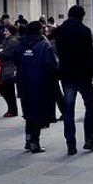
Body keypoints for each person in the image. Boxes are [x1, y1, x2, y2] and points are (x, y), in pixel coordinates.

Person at [52, 4, 93, 155]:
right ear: (81, 16)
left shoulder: (59, 31)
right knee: (90, 106)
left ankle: (70, 144)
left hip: (67, 75)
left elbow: (53, 49)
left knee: (68, 109)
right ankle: (89, 139)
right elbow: (90, 55)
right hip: (83, 74)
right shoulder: (84, 31)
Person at [16, 19, 59, 154]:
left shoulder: (21, 44)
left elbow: (16, 60)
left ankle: (28, 139)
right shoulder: (44, 45)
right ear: (39, 30)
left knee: (28, 111)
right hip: (40, 83)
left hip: (23, 82)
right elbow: (50, 65)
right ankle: (35, 142)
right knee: (38, 113)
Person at [0, 21, 22, 118]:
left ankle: (12, 109)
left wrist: (0, 52)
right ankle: (11, 109)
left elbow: (5, 54)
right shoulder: (6, 41)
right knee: (4, 88)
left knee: (7, 89)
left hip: (10, 68)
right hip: (5, 67)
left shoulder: (13, 42)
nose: (4, 32)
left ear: (10, 31)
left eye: (6, 31)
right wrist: (0, 51)